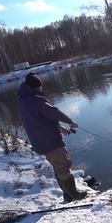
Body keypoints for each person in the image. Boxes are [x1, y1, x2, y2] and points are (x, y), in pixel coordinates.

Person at [17, 73, 86, 202]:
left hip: (39, 142)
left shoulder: (22, 100)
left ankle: (67, 195)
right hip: (50, 142)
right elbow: (54, 112)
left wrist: (59, 127)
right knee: (63, 166)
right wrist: (70, 121)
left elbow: (40, 118)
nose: (42, 89)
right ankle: (74, 195)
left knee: (57, 166)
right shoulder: (36, 100)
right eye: (40, 86)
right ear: (36, 87)